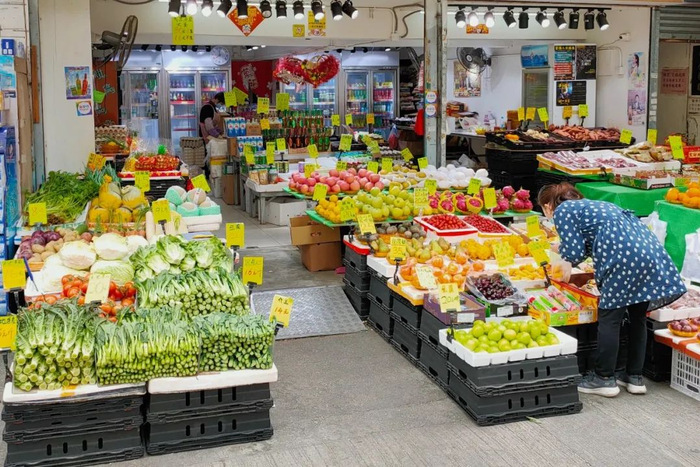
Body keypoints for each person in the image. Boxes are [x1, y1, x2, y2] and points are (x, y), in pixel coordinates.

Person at [538, 183, 686, 397]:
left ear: (547, 206)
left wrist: (562, 255)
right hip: (649, 254)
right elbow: (593, 240)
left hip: (623, 261)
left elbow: (575, 252)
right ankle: (634, 377)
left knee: (610, 318)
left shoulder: (563, 210)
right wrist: (565, 249)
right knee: (638, 317)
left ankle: (604, 378)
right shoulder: (596, 206)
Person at [199, 92, 225, 178]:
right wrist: (217, 135)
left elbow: (213, 125)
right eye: (220, 103)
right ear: (216, 99)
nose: (220, 105)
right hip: (206, 135)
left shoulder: (213, 107)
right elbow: (209, 126)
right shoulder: (207, 108)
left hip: (210, 134)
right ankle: (208, 176)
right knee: (207, 155)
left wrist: (220, 131)